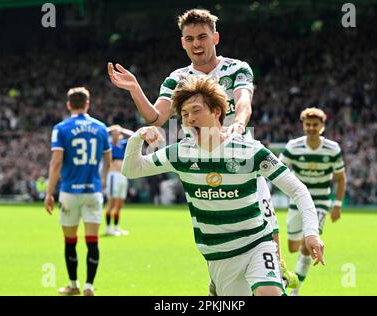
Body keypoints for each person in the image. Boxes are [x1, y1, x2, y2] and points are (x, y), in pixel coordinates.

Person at [107, 8, 296, 289]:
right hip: (199, 157)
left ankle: (275, 268)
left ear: (215, 38)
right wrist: (135, 89)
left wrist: (240, 126)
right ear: (182, 42)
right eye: (190, 38)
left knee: (264, 209)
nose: (196, 43)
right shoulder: (177, 78)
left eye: (202, 37)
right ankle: (221, 277)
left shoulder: (237, 68)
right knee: (215, 224)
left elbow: (244, 102)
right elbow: (158, 118)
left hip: (236, 152)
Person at [122, 76, 324, 296]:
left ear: (217, 112)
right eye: (185, 114)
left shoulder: (250, 150)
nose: (190, 119)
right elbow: (132, 169)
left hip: (256, 243)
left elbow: (298, 189)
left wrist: (312, 233)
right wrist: (138, 137)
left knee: (270, 293)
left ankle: (276, 279)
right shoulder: (180, 153)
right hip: (218, 254)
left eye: (196, 111)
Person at [44, 87, 112, 296]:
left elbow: (56, 163)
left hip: (69, 192)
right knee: (92, 241)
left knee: (70, 240)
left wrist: (49, 193)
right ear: (87, 104)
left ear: (68, 105)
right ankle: (89, 286)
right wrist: (102, 180)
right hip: (93, 190)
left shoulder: (61, 128)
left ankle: (73, 285)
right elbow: (108, 160)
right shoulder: (101, 128)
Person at [279, 107, 346, 296]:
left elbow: (340, 178)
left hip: (320, 202)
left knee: (307, 248)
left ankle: (295, 289)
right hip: (297, 201)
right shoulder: (293, 146)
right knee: (292, 247)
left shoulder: (333, 149)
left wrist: (337, 205)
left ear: (322, 126)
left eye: (315, 125)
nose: (311, 128)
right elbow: (278, 169)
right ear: (303, 126)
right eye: (307, 124)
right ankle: (300, 246)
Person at [105, 124, 133, 236]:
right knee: (111, 203)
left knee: (119, 203)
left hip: (123, 176)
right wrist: (109, 129)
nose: (115, 135)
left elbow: (133, 135)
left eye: (117, 133)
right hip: (113, 176)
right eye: (113, 133)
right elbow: (101, 134)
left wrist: (121, 129)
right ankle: (108, 228)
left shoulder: (123, 144)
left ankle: (116, 227)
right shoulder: (108, 145)